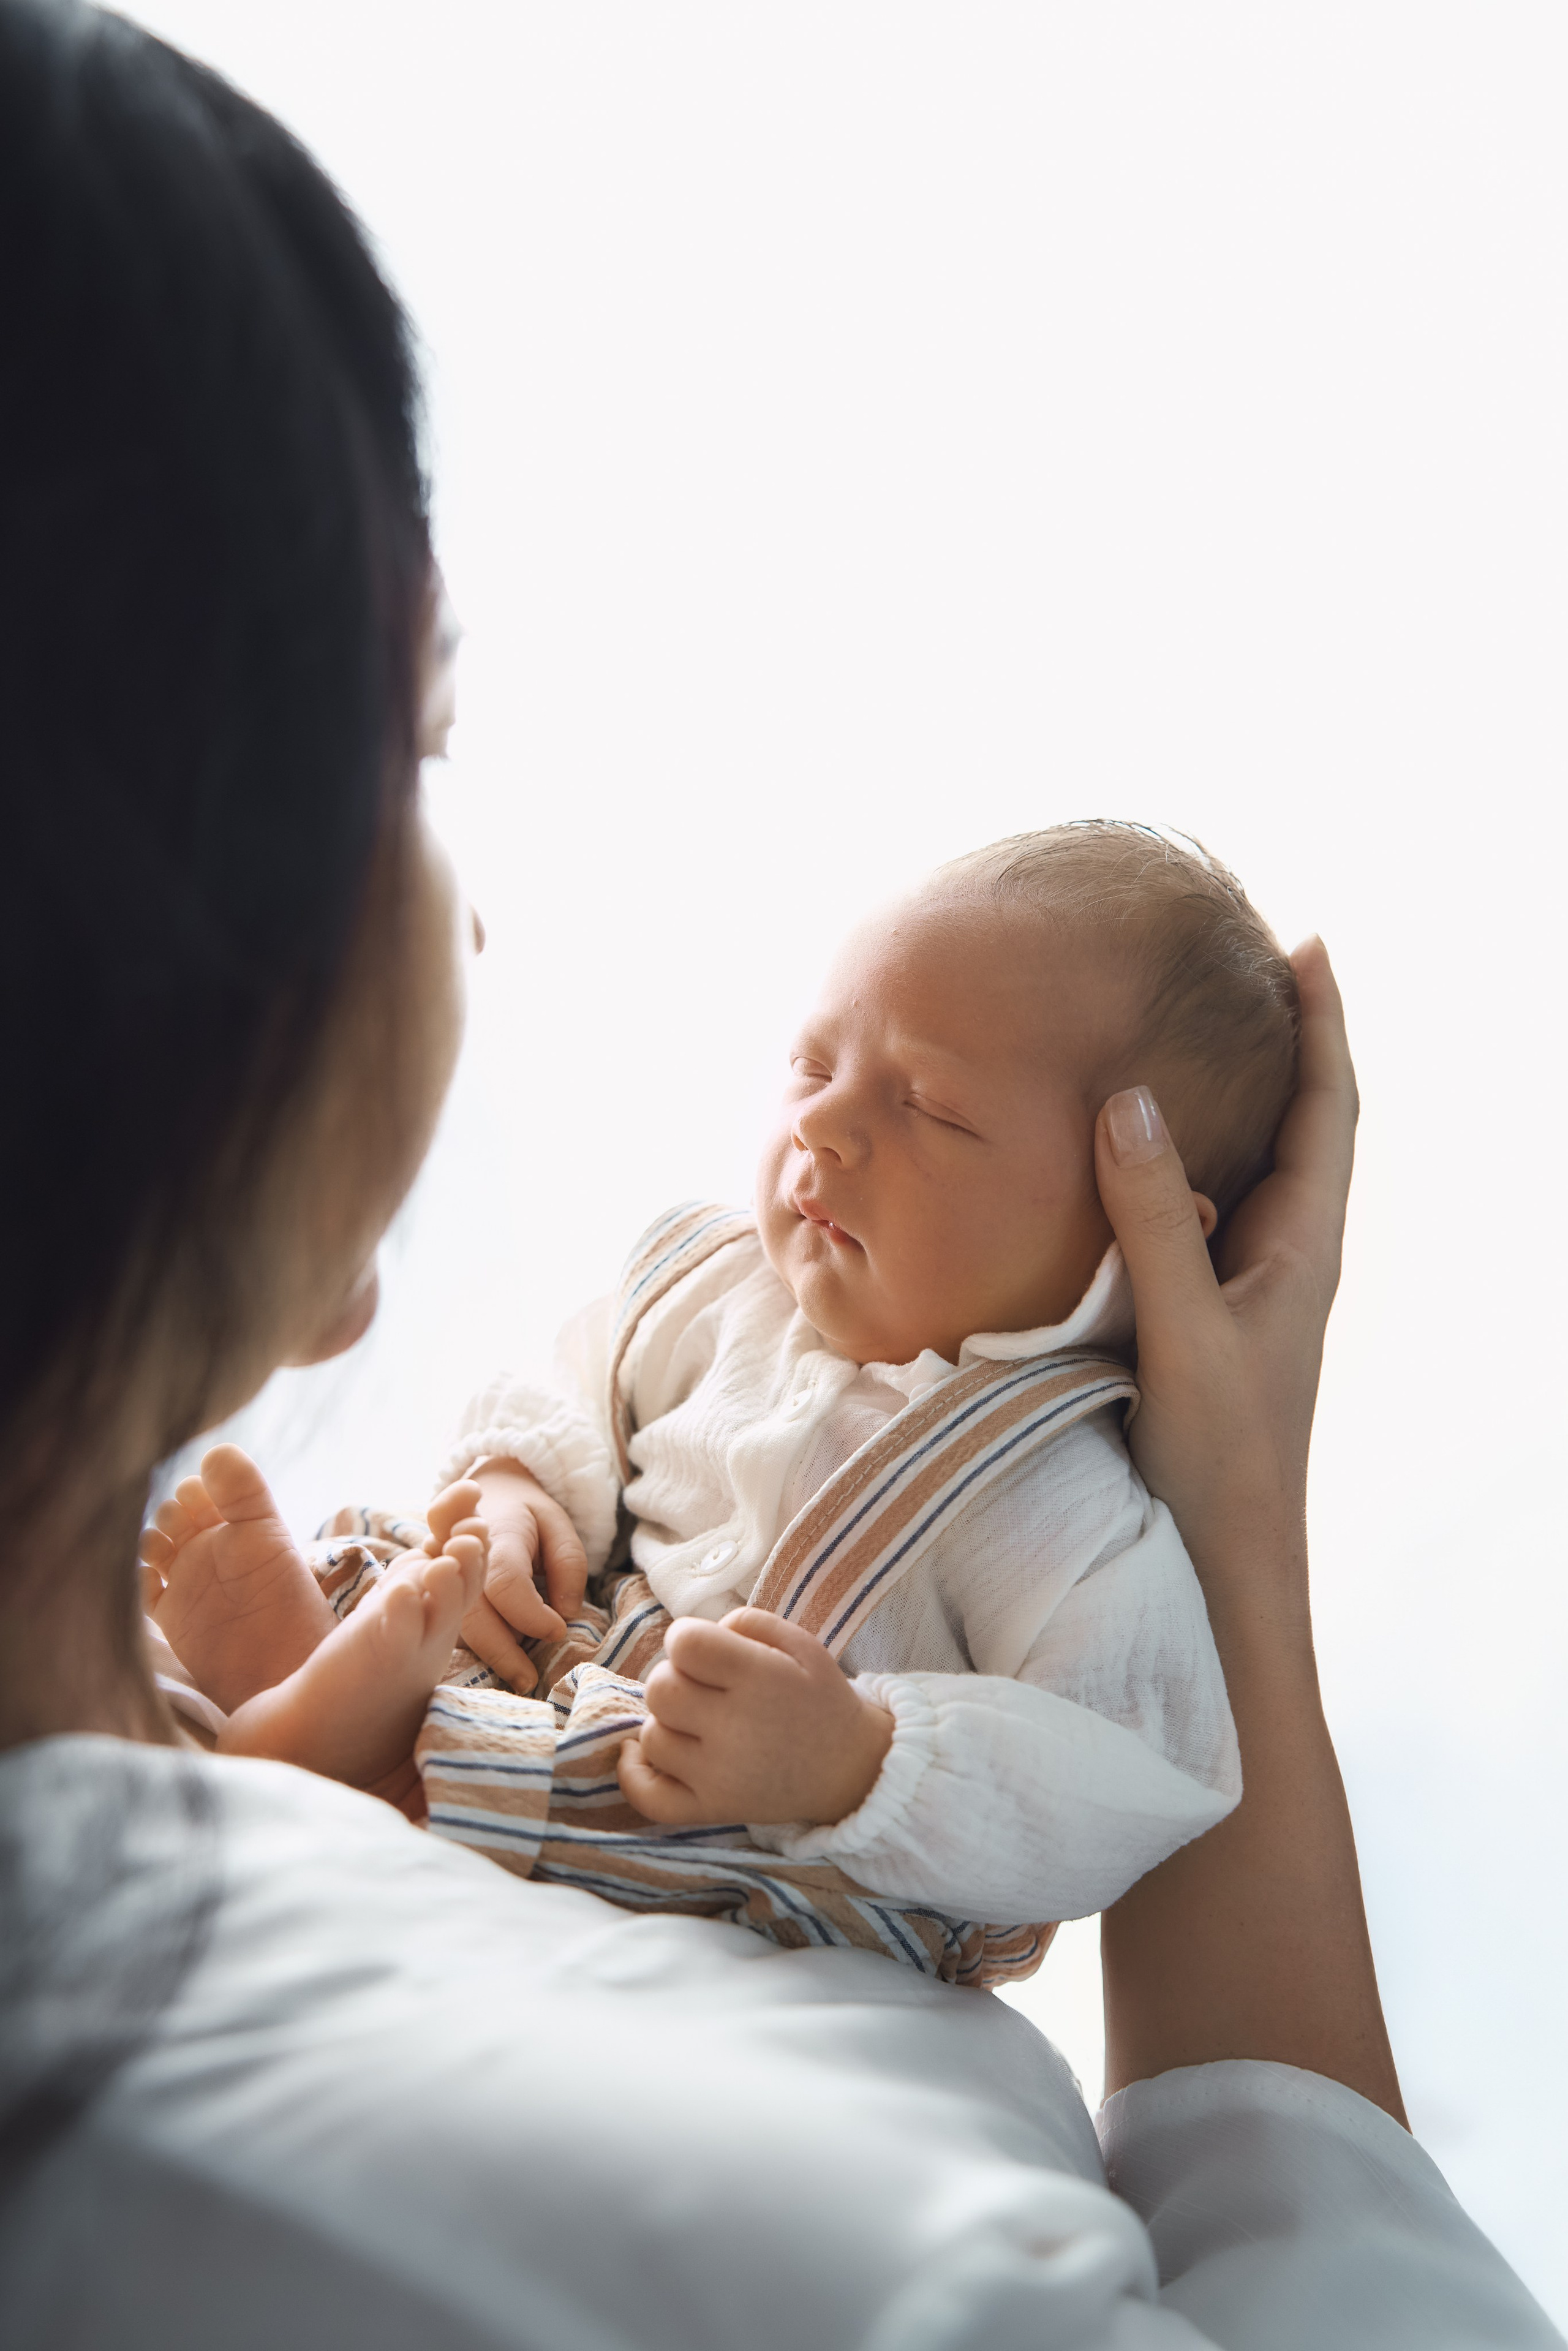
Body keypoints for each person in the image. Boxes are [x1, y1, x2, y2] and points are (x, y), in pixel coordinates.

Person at [0, 3, 1558, 2343]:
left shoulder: (1034, 1513)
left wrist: (1040, 1598)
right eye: (418, 742)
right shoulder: (788, 2254)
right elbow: (1343, 2299)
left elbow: (1116, 1743)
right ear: (185, 960)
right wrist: (1245, 1504)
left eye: (922, 1103)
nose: (818, 1132)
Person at [141, 826, 1297, 1988]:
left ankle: (363, 1758)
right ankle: (329, 1678)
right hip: (569, 1646)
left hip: (741, 1815)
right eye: (813, 1063)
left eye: (932, 1108)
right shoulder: (720, 1285)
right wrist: (514, 1488)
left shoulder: (1049, 1493)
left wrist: (859, 1759)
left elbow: (1133, 1763)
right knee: (428, 1585)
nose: (822, 1124)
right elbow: (579, 1375)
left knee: (617, 1804)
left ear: (1132, 1224)